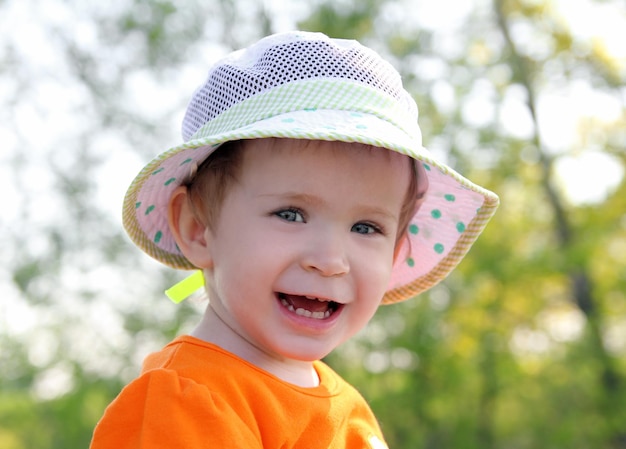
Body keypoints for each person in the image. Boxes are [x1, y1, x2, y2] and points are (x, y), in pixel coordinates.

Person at [90, 31, 499, 448]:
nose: (330, 260)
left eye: (366, 228)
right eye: (291, 214)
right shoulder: (187, 400)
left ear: (395, 251)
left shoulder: (348, 409)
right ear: (198, 228)